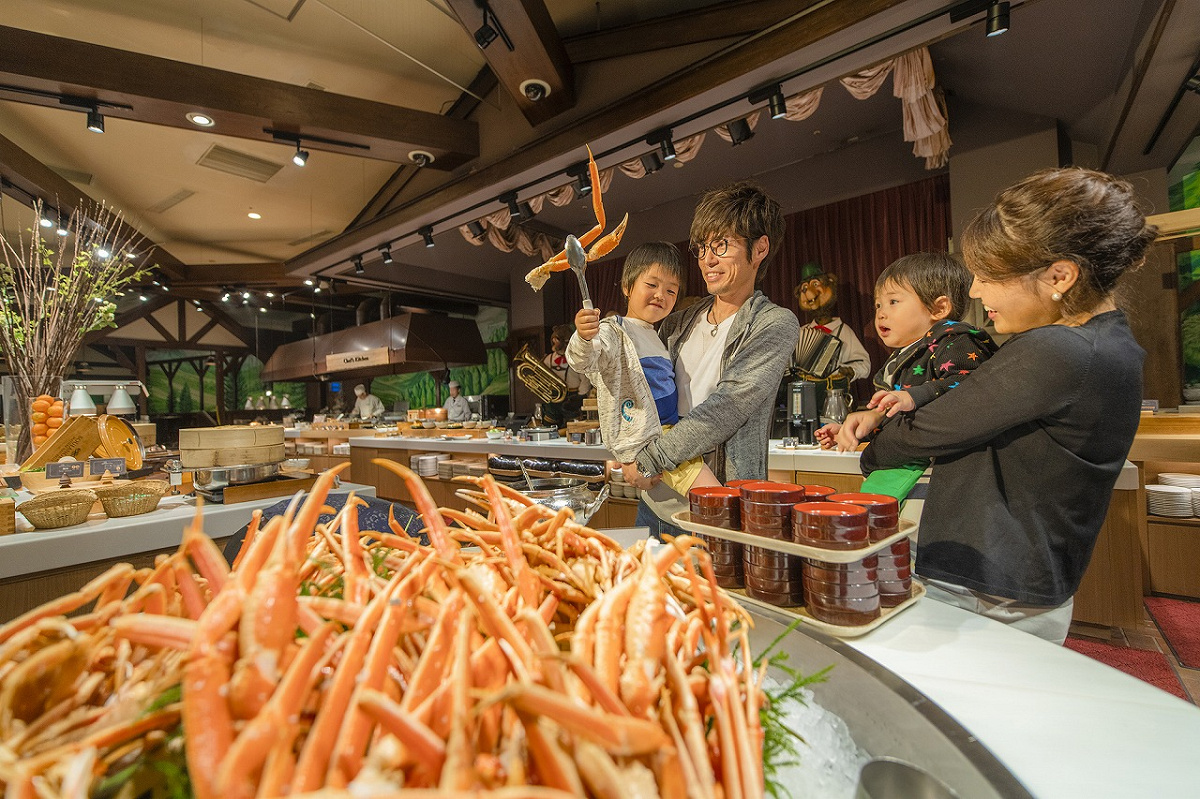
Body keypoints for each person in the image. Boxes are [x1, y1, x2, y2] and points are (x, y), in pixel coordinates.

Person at [859, 167, 1157, 644]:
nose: (975, 292)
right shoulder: (1113, 347)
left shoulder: (1057, 350)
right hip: (1024, 582)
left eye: (989, 276)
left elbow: (927, 431)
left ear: (1060, 275)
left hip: (988, 588)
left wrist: (874, 450)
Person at [625, 181, 799, 537]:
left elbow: (728, 407)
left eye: (721, 244)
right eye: (702, 247)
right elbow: (638, 389)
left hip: (719, 508)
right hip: (655, 500)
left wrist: (650, 458)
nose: (707, 259)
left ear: (760, 247)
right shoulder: (677, 321)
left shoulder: (774, 323)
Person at [567, 242, 720, 507]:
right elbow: (584, 359)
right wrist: (583, 335)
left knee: (704, 506)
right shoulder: (614, 330)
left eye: (671, 290)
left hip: (672, 434)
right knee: (716, 499)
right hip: (653, 439)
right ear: (627, 287)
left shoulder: (658, 335)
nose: (661, 295)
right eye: (652, 285)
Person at [815, 252, 996, 454]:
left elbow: (972, 389)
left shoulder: (957, 341)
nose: (881, 313)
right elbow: (895, 420)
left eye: (893, 301)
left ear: (939, 308)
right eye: (878, 305)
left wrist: (912, 396)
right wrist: (855, 432)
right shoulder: (900, 358)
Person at [793, 262, 871, 386]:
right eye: (804, 288)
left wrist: (848, 371)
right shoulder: (800, 332)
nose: (809, 292)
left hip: (834, 393)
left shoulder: (843, 331)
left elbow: (864, 364)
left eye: (815, 284)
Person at [543, 323, 591, 423]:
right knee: (550, 424)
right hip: (554, 398)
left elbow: (585, 379)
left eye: (557, 339)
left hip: (572, 398)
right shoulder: (548, 359)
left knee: (572, 425)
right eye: (554, 339)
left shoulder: (577, 358)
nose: (554, 341)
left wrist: (580, 396)